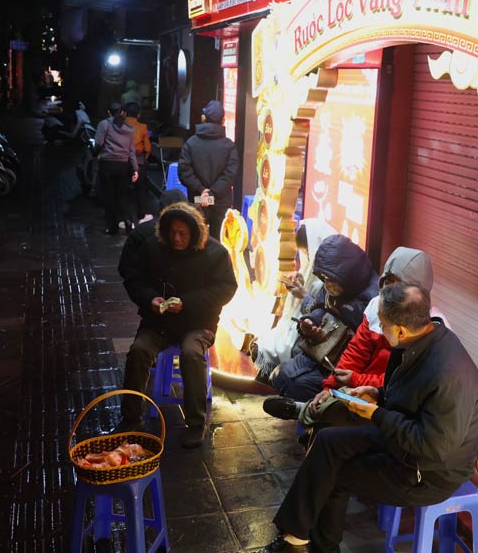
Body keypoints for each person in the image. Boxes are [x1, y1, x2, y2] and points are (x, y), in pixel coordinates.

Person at [258, 282, 478, 553]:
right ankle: (295, 535)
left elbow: (434, 448)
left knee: (335, 475)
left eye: (383, 323)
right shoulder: (418, 339)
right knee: (327, 441)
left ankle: (317, 547)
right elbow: (410, 396)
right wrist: (377, 392)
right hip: (403, 441)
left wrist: (377, 414)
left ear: (400, 329)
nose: (379, 328)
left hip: (428, 472)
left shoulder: (448, 374)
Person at [263, 247, 434, 437]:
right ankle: (313, 411)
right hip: (362, 387)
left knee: (337, 421)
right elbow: (357, 350)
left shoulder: (424, 328)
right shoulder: (377, 305)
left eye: (397, 285)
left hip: (390, 402)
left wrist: (355, 380)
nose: (389, 291)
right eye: (387, 282)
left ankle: (305, 411)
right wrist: (330, 387)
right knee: (329, 397)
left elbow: (400, 384)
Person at [117, 201, 237, 447]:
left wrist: (188, 303)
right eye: (172, 232)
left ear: (194, 232)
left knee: (192, 353)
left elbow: (226, 288)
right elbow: (134, 277)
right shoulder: (153, 247)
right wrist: (150, 298)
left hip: (198, 322)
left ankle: (196, 423)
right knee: (139, 351)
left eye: (183, 233)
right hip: (159, 321)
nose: (176, 238)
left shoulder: (215, 253)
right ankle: (131, 419)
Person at [269, 234, 378, 402]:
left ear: (347, 274)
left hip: (344, 362)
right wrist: (310, 322)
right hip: (321, 351)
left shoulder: (373, 296)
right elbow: (319, 306)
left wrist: (340, 310)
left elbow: (364, 343)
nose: (328, 284)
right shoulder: (333, 280)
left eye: (331, 280)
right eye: (324, 279)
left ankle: (308, 417)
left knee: (299, 384)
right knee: (281, 374)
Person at [252, 218, 337, 384]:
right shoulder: (311, 264)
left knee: (269, 348)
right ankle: (267, 381)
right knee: (263, 344)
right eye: (303, 252)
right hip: (298, 326)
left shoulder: (329, 276)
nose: (305, 255)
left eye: (306, 251)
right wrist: (297, 285)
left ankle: (271, 382)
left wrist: (303, 295)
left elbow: (320, 310)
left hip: (314, 334)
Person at [178, 99, 238, 239]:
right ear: (223, 121)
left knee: (196, 238)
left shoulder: (191, 143)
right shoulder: (229, 146)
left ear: (203, 118)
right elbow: (230, 174)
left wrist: (202, 191)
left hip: (197, 198)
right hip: (221, 200)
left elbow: (184, 171)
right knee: (219, 240)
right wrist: (212, 193)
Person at [117, 188, 187, 284]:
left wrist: (148, 294)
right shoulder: (195, 231)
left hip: (151, 290)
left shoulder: (141, 231)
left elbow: (126, 268)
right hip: (184, 292)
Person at [94, 102, 139, 235]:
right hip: (124, 166)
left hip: (107, 164)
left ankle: (112, 227)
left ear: (109, 112)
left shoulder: (104, 124)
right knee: (122, 196)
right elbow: (132, 151)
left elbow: (98, 143)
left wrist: (96, 153)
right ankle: (128, 222)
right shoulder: (129, 129)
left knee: (109, 196)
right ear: (123, 113)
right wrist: (135, 169)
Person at [123, 102, 154, 222]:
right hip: (138, 161)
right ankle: (141, 216)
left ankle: (123, 218)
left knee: (122, 190)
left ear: (124, 113)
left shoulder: (120, 125)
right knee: (141, 189)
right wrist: (144, 158)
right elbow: (148, 148)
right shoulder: (142, 127)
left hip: (122, 160)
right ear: (139, 114)